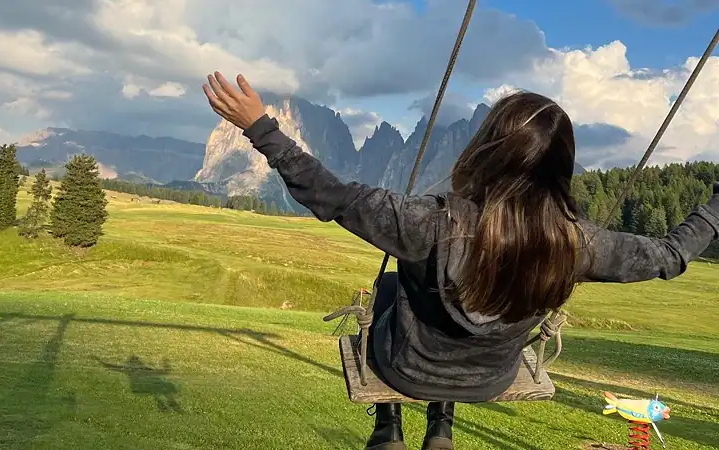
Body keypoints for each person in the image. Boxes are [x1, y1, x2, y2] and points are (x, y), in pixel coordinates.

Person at [201, 72, 719, 450]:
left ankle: (388, 427)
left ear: (485, 149)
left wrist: (262, 128)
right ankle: (441, 426)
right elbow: (670, 256)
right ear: (561, 164)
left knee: (392, 290)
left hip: (403, 368)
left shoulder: (427, 223)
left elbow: (330, 195)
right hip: (490, 376)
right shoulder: (576, 243)